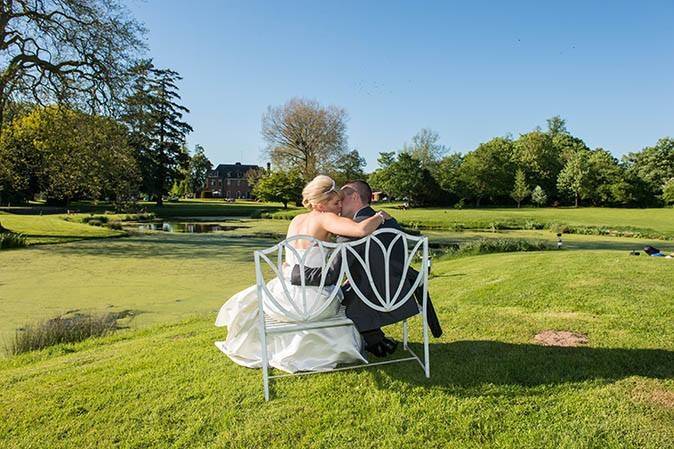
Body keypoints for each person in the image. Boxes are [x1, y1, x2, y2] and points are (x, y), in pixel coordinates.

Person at [214, 175, 391, 373]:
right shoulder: (326, 217)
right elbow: (360, 229)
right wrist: (380, 216)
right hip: (311, 300)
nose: (339, 206)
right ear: (321, 204)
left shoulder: (297, 220)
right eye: (335, 202)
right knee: (340, 298)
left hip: (283, 296)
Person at [291, 180, 442, 358]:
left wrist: (294, 273)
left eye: (341, 199)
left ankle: (368, 341)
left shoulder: (353, 231)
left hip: (375, 297)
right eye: (336, 200)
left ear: (355, 197)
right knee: (344, 289)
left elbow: (331, 275)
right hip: (402, 290)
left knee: (335, 296)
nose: (338, 205)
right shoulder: (390, 222)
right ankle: (376, 341)